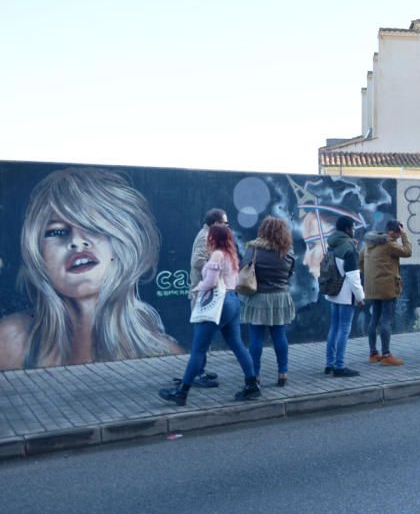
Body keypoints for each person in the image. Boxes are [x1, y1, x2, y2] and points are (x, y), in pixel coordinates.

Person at [0, 167, 180, 371]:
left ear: (123, 241)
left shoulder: (166, 353)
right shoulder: (8, 342)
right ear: (37, 252)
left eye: (93, 227)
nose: (77, 242)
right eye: (57, 231)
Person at [159, 224, 260, 405]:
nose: (207, 239)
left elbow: (211, 282)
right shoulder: (231, 255)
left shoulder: (217, 254)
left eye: (209, 236)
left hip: (218, 303)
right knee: (237, 345)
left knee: (198, 349)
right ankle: (252, 384)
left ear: (214, 238)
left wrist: (197, 288)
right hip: (233, 301)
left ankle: (182, 392)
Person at [241, 217, 296, 386]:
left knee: (256, 338)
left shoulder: (254, 249)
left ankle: (255, 375)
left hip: (258, 297)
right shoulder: (287, 252)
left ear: (263, 230)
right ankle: (283, 373)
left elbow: (244, 268)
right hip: (280, 297)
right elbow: (290, 273)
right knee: (279, 335)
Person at [183, 207, 230, 388]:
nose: (227, 226)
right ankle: (197, 373)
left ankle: (199, 370)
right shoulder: (205, 237)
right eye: (225, 223)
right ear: (216, 223)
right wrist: (215, 270)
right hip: (202, 293)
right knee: (200, 336)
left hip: (204, 292)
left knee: (202, 336)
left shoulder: (208, 234)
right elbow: (196, 261)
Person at [359, 220, 412, 367]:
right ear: (393, 232)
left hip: (372, 287)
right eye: (397, 234)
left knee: (374, 318)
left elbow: (360, 260)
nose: (397, 237)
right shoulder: (389, 243)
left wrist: (370, 275)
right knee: (386, 320)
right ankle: (386, 355)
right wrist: (405, 236)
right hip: (387, 288)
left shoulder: (369, 244)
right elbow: (407, 252)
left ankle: (373, 353)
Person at [324, 216, 366, 376]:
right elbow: (354, 277)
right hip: (346, 295)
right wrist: (361, 297)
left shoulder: (332, 244)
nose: (354, 230)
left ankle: (329, 363)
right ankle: (339, 366)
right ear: (348, 229)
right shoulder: (349, 248)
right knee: (344, 329)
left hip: (332, 292)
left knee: (334, 328)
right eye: (353, 227)